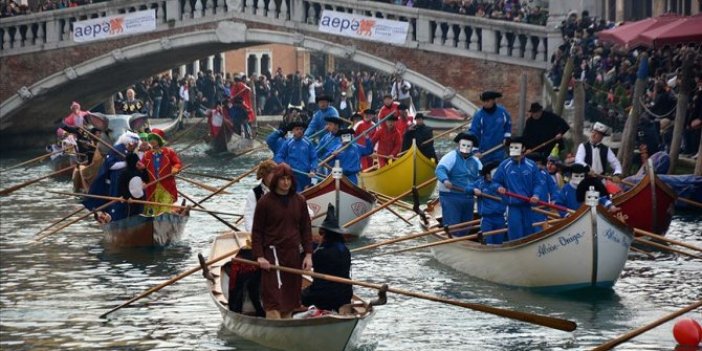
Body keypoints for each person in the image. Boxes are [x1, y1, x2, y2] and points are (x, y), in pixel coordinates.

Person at [252, 163, 313, 320]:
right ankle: (274, 333)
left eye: (288, 179)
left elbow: (306, 229)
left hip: (293, 256)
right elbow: (257, 232)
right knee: (272, 301)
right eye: (282, 179)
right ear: (276, 181)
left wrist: (308, 255)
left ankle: (286, 333)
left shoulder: (300, 201)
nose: (286, 183)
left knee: (290, 302)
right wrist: (259, 256)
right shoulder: (265, 202)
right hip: (272, 257)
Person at [301, 204, 353, 312]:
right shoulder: (345, 250)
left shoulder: (321, 253)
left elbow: (306, 266)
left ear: (325, 234)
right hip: (345, 294)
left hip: (323, 295)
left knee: (297, 296)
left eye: (320, 233)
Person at [492, 137, 544, 241]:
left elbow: (538, 183)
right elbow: (494, 182)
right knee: (515, 233)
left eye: (516, 147)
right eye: (511, 147)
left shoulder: (531, 165)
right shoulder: (504, 165)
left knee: (528, 234)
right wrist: (499, 187)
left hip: (528, 206)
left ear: (523, 148)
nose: (513, 150)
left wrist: (536, 195)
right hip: (512, 206)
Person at [83, 132, 141, 222]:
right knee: (117, 201)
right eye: (135, 144)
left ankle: (132, 217)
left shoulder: (131, 152)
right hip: (116, 180)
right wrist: (127, 163)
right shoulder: (117, 149)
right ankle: (116, 219)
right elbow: (110, 165)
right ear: (130, 143)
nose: (135, 147)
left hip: (127, 180)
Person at [435, 132, 483, 236]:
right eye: (463, 145)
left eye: (468, 146)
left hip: (468, 197)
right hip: (450, 197)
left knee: (467, 226)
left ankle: (463, 241)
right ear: (459, 145)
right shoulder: (450, 157)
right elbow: (440, 170)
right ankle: (453, 240)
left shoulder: (476, 161)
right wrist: (445, 180)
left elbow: (482, 178)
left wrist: (480, 188)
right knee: (453, 226)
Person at [142, 129, 182, 216]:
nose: (152, 141)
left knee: (164, 210)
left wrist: (175, 168)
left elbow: (177, 163)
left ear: (159, 140)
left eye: (154, 139)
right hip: (152, 186)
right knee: (152, 209)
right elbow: (141, 169)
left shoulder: (169, 152)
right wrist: (142, 181)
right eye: (151, 139)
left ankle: (164, 222)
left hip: (167, 186)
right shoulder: (146, 155)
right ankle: (152, 225)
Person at [469, 91, 512, 165]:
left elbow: (507, 125)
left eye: (487, 101)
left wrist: (507, 137)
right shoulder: (478, 115)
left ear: (493, 101)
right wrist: (475, 150)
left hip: (499, 150)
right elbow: (474, 133)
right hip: (484, 152)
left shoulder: (502, 112)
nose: (485, 103)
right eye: (483, 101)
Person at [274, 121, 318, 191]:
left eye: (301, 129)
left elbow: (314, 158)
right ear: (293, 131)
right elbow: (279, 156)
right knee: (297, 194)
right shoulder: (287, 143)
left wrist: (313, 170)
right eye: (297, 129)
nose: (299, 131)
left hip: (306, 175)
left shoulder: (308, 143)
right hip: (293, 175)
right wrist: (284, 165)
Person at [226, 240, 265, 316]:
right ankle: (258, 310)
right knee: (249, 289)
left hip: (253, 262)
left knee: (251, 288)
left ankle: (259, 310)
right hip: (249, 263)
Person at [474, 161, 506, 244]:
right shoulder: (480, 183)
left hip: (500, 217)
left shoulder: (501, 183)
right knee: (489, 243)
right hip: (487, 219)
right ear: (487, 174)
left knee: (499, 243)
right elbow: (467, 188)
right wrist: (474, 190)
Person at [244, 159, 278, 232]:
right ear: (264, 175)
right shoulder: (253, 193)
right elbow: (249, 217)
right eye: (272, 173)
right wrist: (253, 234)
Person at [526, 152, 559, 224]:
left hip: (544, 208)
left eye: (539, 164)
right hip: (531, 210)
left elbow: (553, 188)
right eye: (536, 164)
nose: (539, 166)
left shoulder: (544, 173)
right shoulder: (523, 175)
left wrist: (554, 199)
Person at [117, 153, 149, 218]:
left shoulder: (138, 171)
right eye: (137, 160)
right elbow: (121, 188)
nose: (139, 162)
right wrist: (127, 197)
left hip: (140, 198)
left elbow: (146, 180)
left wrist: (144, 169)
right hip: (131, 200)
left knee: (141, 214)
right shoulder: (124, 173)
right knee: (132, 216)